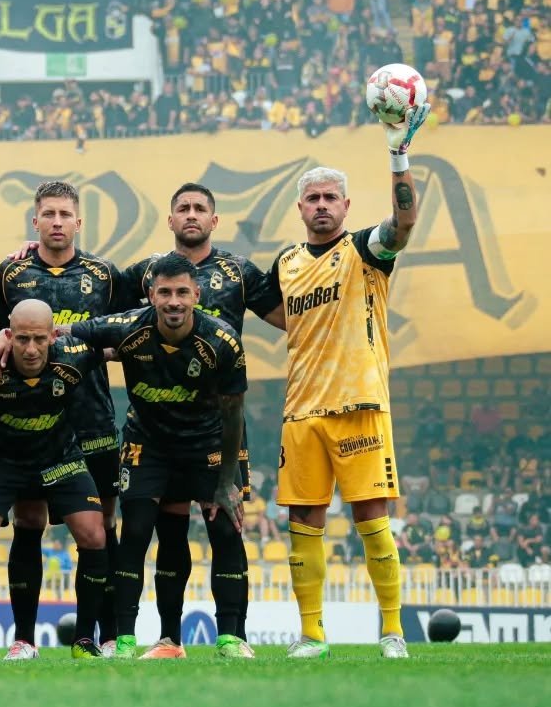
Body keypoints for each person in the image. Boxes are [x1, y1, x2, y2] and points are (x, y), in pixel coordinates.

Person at [266, 100, 427, 659]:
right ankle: (312, 635)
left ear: (346, 204)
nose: (321, 206)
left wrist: (398, 152)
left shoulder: (366, 249)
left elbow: (405, 222)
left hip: (359, 402)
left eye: (331, 197)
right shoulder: (285, 264)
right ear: (300, 208)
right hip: (301, 411)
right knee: (303, 521)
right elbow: (278, 314)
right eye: (312, 198)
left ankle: (392, 631)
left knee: (371, 518)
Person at [123, 183, 286, 658]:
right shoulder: (147, 273)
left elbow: (288, 317)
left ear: (214, 220)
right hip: (158, 425)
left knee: (224, 525)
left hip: (218, 426)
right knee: (167, 531)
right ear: (170, 220)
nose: (191, 215)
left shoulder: (236, 271)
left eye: (200, 209)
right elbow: (96, 303)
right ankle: (169, 639)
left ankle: (233, 637)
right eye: (182, 208)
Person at [0, 181, 139, 658]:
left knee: (99, 526)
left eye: (64, 214)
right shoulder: (11, 273)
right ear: (35, 222)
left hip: (91, 418)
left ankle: (100, 634)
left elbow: (126, 328)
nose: (55, 221)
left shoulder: (105, 275)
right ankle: (24, 639)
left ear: (78, 221)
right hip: (30, 422)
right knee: (28, 522)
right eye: (47, 214)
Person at [68, 253, 247, 659]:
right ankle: (134, 640)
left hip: (206, 446)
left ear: (196, 294)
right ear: (151, 295)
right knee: (136, 532)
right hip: (147, 445)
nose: (174, 301)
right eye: (164, 292)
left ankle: (232, 638)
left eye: (182, 292)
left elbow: (234, 411)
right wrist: (15, 336)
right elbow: (67, 332)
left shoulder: (222, 341)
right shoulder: (127, 326)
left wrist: (225, 482)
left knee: (225, 529)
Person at [0, 300, 108, 659]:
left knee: (94, 533)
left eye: (39, 339)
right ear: (9, 337)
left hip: (59, 459)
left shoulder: (74, 356)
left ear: (53, 336)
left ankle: (85, 640)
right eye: (21, 338)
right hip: (0, 461)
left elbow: (123, 339)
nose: (30, 348)